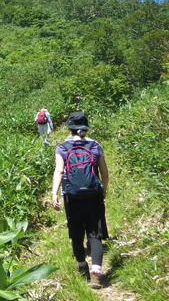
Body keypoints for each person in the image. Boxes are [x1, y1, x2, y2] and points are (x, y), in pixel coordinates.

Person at [51, 111, 109, 289]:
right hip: (93, 195)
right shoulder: (95, 145)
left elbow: (59, 171)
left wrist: (54, 194)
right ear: (85, 128)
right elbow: (105, 174)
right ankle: (97, 274)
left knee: (76, 232)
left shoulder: (62, 147)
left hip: (72, 197)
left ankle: (83, 266)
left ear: (69, 128)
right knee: (94, 234)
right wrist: (103, 190)